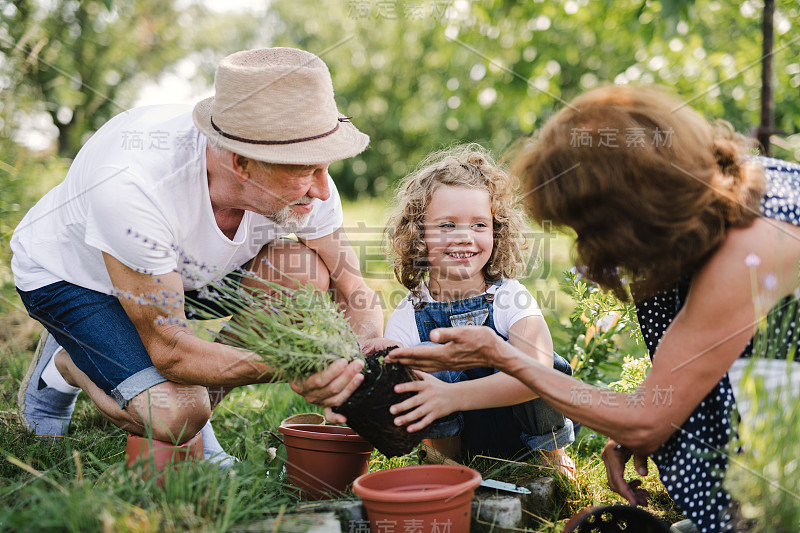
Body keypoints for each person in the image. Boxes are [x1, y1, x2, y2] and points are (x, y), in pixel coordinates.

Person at [385, 85, 800, 532]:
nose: (585, 250)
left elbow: (648, 418)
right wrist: (630, 424)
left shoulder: (752, 246)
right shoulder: (713, 204)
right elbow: (682, 375)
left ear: (632, 207)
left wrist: (501, 355)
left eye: (586, 228)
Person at [12, 48, 383, 465]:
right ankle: (66, 363)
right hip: (76, 278)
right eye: (306, 170)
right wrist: (295, 362)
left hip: (180, 273)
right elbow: (171, 349)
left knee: (304, 275)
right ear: (242, 163)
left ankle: (192, 420)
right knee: (174, 413)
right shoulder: (134, 185)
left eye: (324, 167)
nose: (322, 188)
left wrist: (361, 355)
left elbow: (353, 287)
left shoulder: (307, 181)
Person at [372, 145, 574, 475]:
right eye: (447, 226)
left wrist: (452, 397)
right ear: (419, 233)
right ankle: (446, 467)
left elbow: (539, 374)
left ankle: (551, 461)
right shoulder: (408, 316)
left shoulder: (510, 297)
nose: (464, 237)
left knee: (544, 361)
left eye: (480, 225)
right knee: (420, 363)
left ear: (497, 231)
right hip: (462, 444)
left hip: (523, 435)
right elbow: (398, 397)